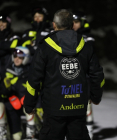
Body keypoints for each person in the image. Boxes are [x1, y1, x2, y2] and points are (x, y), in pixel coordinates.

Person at [24, 9, 105, 140]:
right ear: (72, 25)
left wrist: (29, 104)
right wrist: (96, 97)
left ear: (54, 25)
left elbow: (34, 78)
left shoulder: (45, 47)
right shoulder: (85, 45)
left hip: (54, 108)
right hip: (78, 106)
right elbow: (97, 74)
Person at [0, 46, 38, 140]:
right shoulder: (6, 71)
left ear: (26, 58)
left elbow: (37, 90)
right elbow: (2, 94)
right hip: (11, 106)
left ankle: (31, 134)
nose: (17, 59)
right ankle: (2, 134)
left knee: (29, 101)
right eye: (15, 56)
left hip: (26, 105)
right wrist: (6, 88)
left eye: (20, 57)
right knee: (16, 136)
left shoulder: (32, 71)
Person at [73, 11, 95, 139]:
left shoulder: (88, 37)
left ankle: (90, 133)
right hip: (70, 76)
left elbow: (87, 54)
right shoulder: (66, 36)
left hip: (84, 76)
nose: (74, 25)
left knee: (86, 105)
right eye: (72, 23)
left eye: (76, 22)